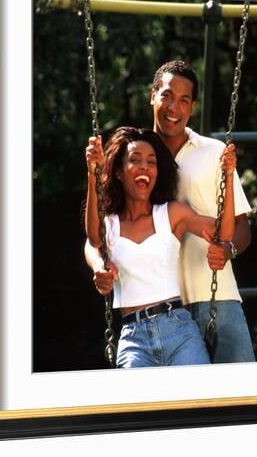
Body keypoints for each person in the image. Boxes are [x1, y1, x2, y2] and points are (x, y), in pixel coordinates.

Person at [86, 60, 255, 363]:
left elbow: (241, 227)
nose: (173, 107)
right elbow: (100, 233)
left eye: (184, 100)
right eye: (166, 95)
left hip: (214, 294)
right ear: (153, 96)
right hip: (157, 304)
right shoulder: (138, 157)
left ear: (192, 107)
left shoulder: (214, 152)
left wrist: (227, 249)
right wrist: (99, 265)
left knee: (242, 396)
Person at [85, 126, 237, 368]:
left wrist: (228, 177)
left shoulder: (171, 214)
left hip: (180, 331)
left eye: (151, 162)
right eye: (135, 160)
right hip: (134, 339)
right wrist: (93, 175)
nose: (145, 166)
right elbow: (93, 240)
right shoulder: (110, 225)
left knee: (197, 404)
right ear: (119, 173)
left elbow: (224, 233)